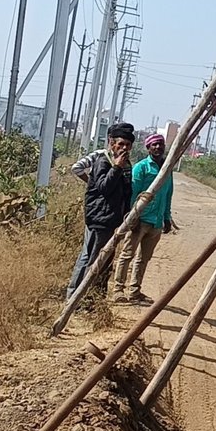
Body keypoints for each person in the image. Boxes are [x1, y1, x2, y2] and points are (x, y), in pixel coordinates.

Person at [65, 121, 135, 303]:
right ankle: (82, 300)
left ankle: (87, 298)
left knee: (99, 259)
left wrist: (127, 215)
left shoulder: (126, 165)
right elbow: (104, 187)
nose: (124, 148)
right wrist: (116, 167)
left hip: (112, 219)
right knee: (95, 260)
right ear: (112, 143)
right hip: (100, 219)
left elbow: (126, 192)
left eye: (127, 145)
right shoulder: (104, 161)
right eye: (121, 144)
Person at [112, 131, 175, 305]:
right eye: (154, 144)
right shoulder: (142, 167)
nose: (158, 147)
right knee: (127, 255)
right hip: (140, 220)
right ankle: (118, 290)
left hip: (156, 221)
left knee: (144, 259)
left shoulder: (167, 169)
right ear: (148, 148)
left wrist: (167, 218)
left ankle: (135, 291)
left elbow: (168, 194)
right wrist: (132, 218)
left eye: (160, 144)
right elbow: (132, 194)